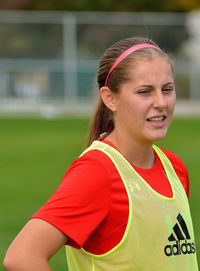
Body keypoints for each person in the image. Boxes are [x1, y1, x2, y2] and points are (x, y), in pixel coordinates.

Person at [3, 36, 199, 271]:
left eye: (167, 89)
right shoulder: (98, 172)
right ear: (110, 98)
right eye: (145, 92)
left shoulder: (175, 169)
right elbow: (22, 256)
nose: (160, 102)